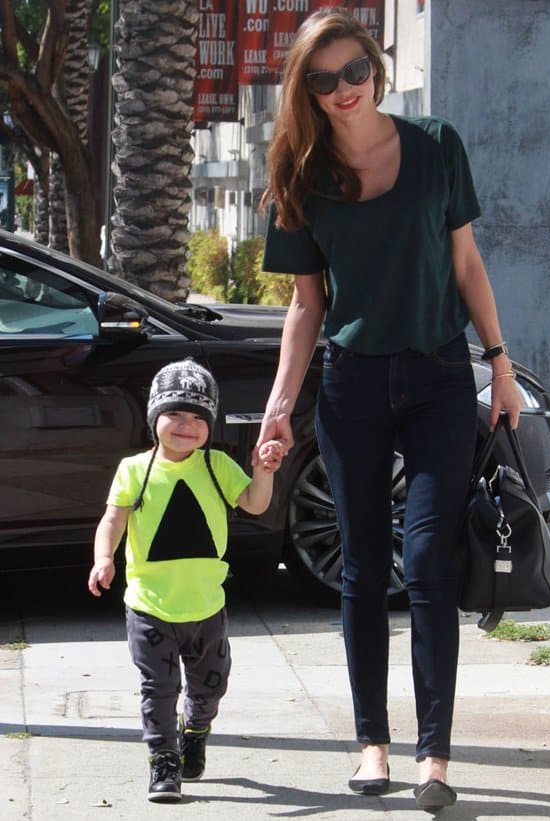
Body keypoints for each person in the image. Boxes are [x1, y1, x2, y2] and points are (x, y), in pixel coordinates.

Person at [254, 8, 523, 812]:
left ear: (377, 65)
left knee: (432, 560)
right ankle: (373, 744)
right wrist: (279, 406)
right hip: (351, 384)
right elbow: (305, 306)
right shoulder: (299, 176)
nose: (343, 90)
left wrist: (499, 363)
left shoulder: (437, 144)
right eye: (323, 78)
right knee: (365, 570)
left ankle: (434, 755)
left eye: (354, 71)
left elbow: (465, 262)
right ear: (306, 87)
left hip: (440, 375)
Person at [88, 358, 283, 803]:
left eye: (198, 417)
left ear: (209, 425)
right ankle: (163, 761)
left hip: (206, 609)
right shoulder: (134, 470)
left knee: (210, 685)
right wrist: (104, 559)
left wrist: (264, 471)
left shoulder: (216, 465)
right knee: (158, 689)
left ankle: (195, 730)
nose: (186, 425)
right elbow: (111, 521)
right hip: (148, 606)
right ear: (155, 417)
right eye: (175, 413)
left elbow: (254, 504)